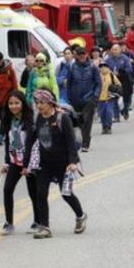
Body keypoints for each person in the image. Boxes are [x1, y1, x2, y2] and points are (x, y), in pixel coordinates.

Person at [28, 89, 87, 239]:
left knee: (66, 194)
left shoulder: (62, 118)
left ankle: (80, 216)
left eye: (42, 102)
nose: (39, 106)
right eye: (37, 103)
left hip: (63, 164)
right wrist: (25, 164)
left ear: (50, 102)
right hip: (44, 164)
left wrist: (73, 162)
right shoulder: (37, 118)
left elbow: (70, 142)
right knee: (40, 194)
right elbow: (31, 141)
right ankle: (45, 227)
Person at [0, 90, 40, 235]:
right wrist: (6, 162)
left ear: (22, 103)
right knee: (7, 190)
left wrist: (27, 165)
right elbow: (8, 142)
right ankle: (9, 223)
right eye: (11, 103)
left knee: (33, 192)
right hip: (15, 161)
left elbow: (31, 144)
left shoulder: (30, 120)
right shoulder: (8, 119)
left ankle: (37, 221)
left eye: (16, 103)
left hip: (29, 163)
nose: (13, 106)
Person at [67, 46, 102, 153]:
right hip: (76, 99)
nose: (82, 56)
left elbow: (98, 83)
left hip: (89, 98)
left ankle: (85, 143)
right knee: (80, 120)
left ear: (86, 55)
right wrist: (70, 97)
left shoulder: (93, 67)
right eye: (79, 54)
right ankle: (83, 138)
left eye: (83, 54)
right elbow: (69, 83)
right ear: (77, 56)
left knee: (87, 120)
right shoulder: (73, 67)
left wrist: (95, 96)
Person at [106, 43, 134, 121]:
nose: (114, 51)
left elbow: (129, 69)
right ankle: (116, 116)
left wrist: (120, 72)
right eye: (112, 49)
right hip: (114, 80)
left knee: (126, 98)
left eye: (115, 49)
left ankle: (125, 110)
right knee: (114, 97)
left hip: (124, 80)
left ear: (120, 50)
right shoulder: (108, 59)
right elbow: (105, 68)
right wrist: (111, 72)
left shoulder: (125, 58)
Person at [0, 52, 18, 146]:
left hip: (6, 98)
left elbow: (14, 83)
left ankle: (0, 137)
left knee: (4, 118)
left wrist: (15, 96)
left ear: (2, 60)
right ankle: (7, 134)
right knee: (3, 119)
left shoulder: (9, 69)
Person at [97, 62, 121, 135]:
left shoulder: (111, 75)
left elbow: (118, 84)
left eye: (105, 66)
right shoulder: (97, 76)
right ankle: (104, 127)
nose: (103, 68)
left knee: (108, 112)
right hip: (100, 98)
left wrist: (115, 90)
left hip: (109, 97)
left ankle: (108, 127)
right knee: (102, 113)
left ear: (108, 67)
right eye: (101, 66)